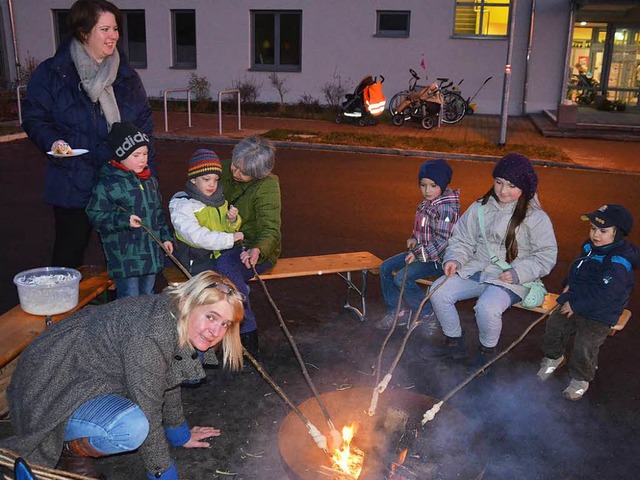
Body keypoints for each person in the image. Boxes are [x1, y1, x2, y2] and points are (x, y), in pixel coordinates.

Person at [0, 271, 245, 480]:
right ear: (187, 303)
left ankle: (73, 440)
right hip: (54, 382)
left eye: (225, 324)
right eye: (211, 316)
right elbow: (149, 408)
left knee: (140, 399)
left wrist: (179, 435)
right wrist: (164, 473)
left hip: (87, 374)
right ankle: (67, 448)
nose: (216, 331)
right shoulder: (150, 334)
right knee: (132, 426)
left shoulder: (176, 319)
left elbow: (166, 379)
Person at [21, 0, 155, 269]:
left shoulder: (126, 76)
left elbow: (143, 122)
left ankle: (126, 310)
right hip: (73, 179)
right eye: (105, 29)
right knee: (68, 256)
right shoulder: (53, 73)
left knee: (127, 256)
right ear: (84, 32)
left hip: (119, 179)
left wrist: (141, 165)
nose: (113, 36)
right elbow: (35, 117)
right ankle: (62, 311)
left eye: (115, 28)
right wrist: (53, 142)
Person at [423, 153, 558, 371]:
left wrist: (518, 272)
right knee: (438, 291)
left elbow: (546, 255)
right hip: (478, 267)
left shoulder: (536, 217)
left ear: (525, 187)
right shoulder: (481, 207)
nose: (503, 191)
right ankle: (454, 343)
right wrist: (455, 258)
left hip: (512, 278)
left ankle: (487, 352)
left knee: (486, 307)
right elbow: (462, 238)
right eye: (499, 182)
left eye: (512, 185)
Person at [537, 204, 638, 400]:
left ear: (618, 234)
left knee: (584, 344)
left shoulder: (619, 262)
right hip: (578, 300)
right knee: (554, 324)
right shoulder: (589, 247)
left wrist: (575, 305)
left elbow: (605, 294)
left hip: (602, 311)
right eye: (593, 229)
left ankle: (581, 378)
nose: (595, 235)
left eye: (603, 231)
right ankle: (554, 356)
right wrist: (568, 285)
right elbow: (578, 270)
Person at [86, 122, 172, 298]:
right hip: (126, 259)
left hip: (150, 255)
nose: (143, 159)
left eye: (145, 153)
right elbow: (96, 215)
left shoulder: (150, 181)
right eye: (136, 155)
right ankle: (125, 326)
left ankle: (143, 326)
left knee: (147, 295)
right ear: (120, 156)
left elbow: (158, 215)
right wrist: (123, 220)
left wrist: (165, 238)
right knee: (129, 299)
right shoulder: (109, 183)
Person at [376, 159, 460, 336]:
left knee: (401, 278)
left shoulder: (446, 209)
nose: (427, 190)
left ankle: (428, 313)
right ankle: (396, 312)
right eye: (423, 185)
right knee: (385, 267)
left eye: (432, 185)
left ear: (443, 185)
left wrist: (416, 253)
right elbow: (422, 230)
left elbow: (443, 240)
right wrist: (414, 238)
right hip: (421, 253)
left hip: (439, 260)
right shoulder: (425, 204)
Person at [216, 136, 281, 358]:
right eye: (235, 165)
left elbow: (270, 229)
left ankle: (247, 330)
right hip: (219, 239)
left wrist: (258, 249)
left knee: (224, 267)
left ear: (258, 175)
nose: (235, 173)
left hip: (251, 247)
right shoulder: (222, 168)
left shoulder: (267, 187)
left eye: (243, 173)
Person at [169, 149, 244, 275]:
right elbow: (196, 236)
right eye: (206, 179)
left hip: (216, 255)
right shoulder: (183, 204)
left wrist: (232, 220)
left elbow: (224, 228)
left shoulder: (218, 200)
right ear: (193, 179)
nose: (212, 185)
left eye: (215, 180)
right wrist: (229, 240)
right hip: (196, 260)